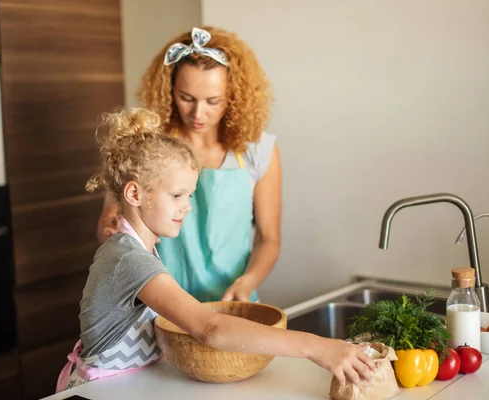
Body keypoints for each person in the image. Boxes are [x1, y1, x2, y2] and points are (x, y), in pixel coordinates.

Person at [57, 108, 375, 392]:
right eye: (178, 195)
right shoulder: (129, 259)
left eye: (190, 196)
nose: (187, 207)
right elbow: (208, 327)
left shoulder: (138, 249)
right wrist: (315, 347)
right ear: (135, 193)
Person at [97, 26, 281, 303]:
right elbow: (110, 223)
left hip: (233, 304)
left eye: (213, 101)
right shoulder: (146, 147)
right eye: (187, 98)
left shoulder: (258, 150)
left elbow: (269, 238)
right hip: (160, 303)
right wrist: (112, 233)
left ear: (233, 97)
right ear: (170, 90)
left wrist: (247, 283)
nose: (198, 113)